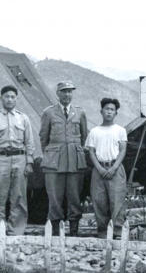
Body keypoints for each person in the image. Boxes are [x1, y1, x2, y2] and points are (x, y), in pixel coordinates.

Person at [0, 85, 37, 235]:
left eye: (13, 97)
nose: (10, 99)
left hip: (20, 159)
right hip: (1, 160)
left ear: (16, 99)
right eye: (7, 96)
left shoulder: (23, 118)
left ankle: (16, 232)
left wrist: (29, 162)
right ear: (1, 98)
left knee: (19, 197)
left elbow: (29, 142)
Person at [39, 81, 88, 236]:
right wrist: (51, 154)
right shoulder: (49, 113)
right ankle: (55, 232)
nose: (67, 95)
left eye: (70, 92)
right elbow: (43, 138)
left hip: (74, 160)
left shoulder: (79, 113)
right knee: (54, 197)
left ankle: (74, 232)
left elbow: (84, 136)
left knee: (74, 196)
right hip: (54, 161)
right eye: (64, 91)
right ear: (57, 93)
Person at [86, 98, 128, 238]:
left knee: (117, 200)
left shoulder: (120, 130)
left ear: (116, 113)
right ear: (101, 111)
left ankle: (117, 231)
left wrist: (114, 168)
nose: (109, 112)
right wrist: (99, 168)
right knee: (99, 201)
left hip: (115, 169)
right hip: (99, 170)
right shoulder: (94, 131)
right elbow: (91, 151)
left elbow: (122, 150)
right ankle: (103, 231)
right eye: (106, 109)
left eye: (112, 109)